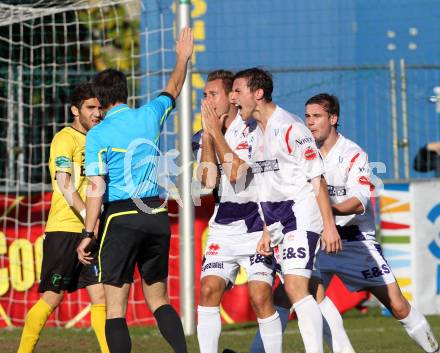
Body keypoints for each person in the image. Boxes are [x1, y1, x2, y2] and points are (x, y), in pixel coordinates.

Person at [76, 27, 193, 353]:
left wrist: (87, 232)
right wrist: (182, 57)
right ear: (126, 93)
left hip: (121, 217)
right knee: (158, 298)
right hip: (155, 213)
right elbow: (172, 88)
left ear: (100, 100)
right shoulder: (148, 116)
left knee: (116, 307)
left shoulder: (97, 134)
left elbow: (96, 187)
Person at [222, 68, 341, 353]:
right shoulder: (256, 133)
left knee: (296, 290)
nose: (233, 98)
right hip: (277, 224)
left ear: (258, 93)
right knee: (303, 292)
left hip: (301, 217)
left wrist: (329, 225)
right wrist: (266, 230)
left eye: (238, 91)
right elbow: (268, 187)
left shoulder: (290, 127)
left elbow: (317, 179)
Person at [194, 70, 283, 353]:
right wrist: (209, 135)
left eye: (213, 95)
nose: (207, 101)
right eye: (204, 95)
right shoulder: (205, 133)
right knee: (208, 290)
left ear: (232, 98)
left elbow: (236, 174)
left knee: (260, 296)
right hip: (224, 225)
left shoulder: (253, 129)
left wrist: (217, 136)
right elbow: (208, 182)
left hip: (259, 224)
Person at [17, 83, 108, 353]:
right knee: (52, 298)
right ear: (74, 110)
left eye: (100, 108)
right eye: (90, 108)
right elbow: (63, 182)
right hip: (65, 230)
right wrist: (85, 217)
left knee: (101, 295)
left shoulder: (97, 140)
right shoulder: (64, 139)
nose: (97, 114)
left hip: (90, 230)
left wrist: (92, 225)